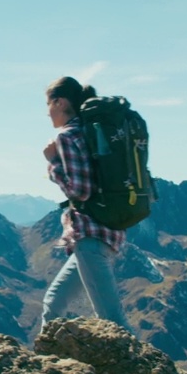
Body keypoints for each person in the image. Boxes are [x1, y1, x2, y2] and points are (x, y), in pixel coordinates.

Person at [40, 76, 131, 333]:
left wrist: (53, 163)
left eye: (49, 105)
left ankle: (146, 373)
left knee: (113, 320)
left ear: (59, 102)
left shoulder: (68, 137)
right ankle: (52, 365)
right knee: (53, 303)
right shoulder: (91, 132)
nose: (48, 113)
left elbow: (80, 190)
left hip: (90, 238)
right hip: (100, 234)